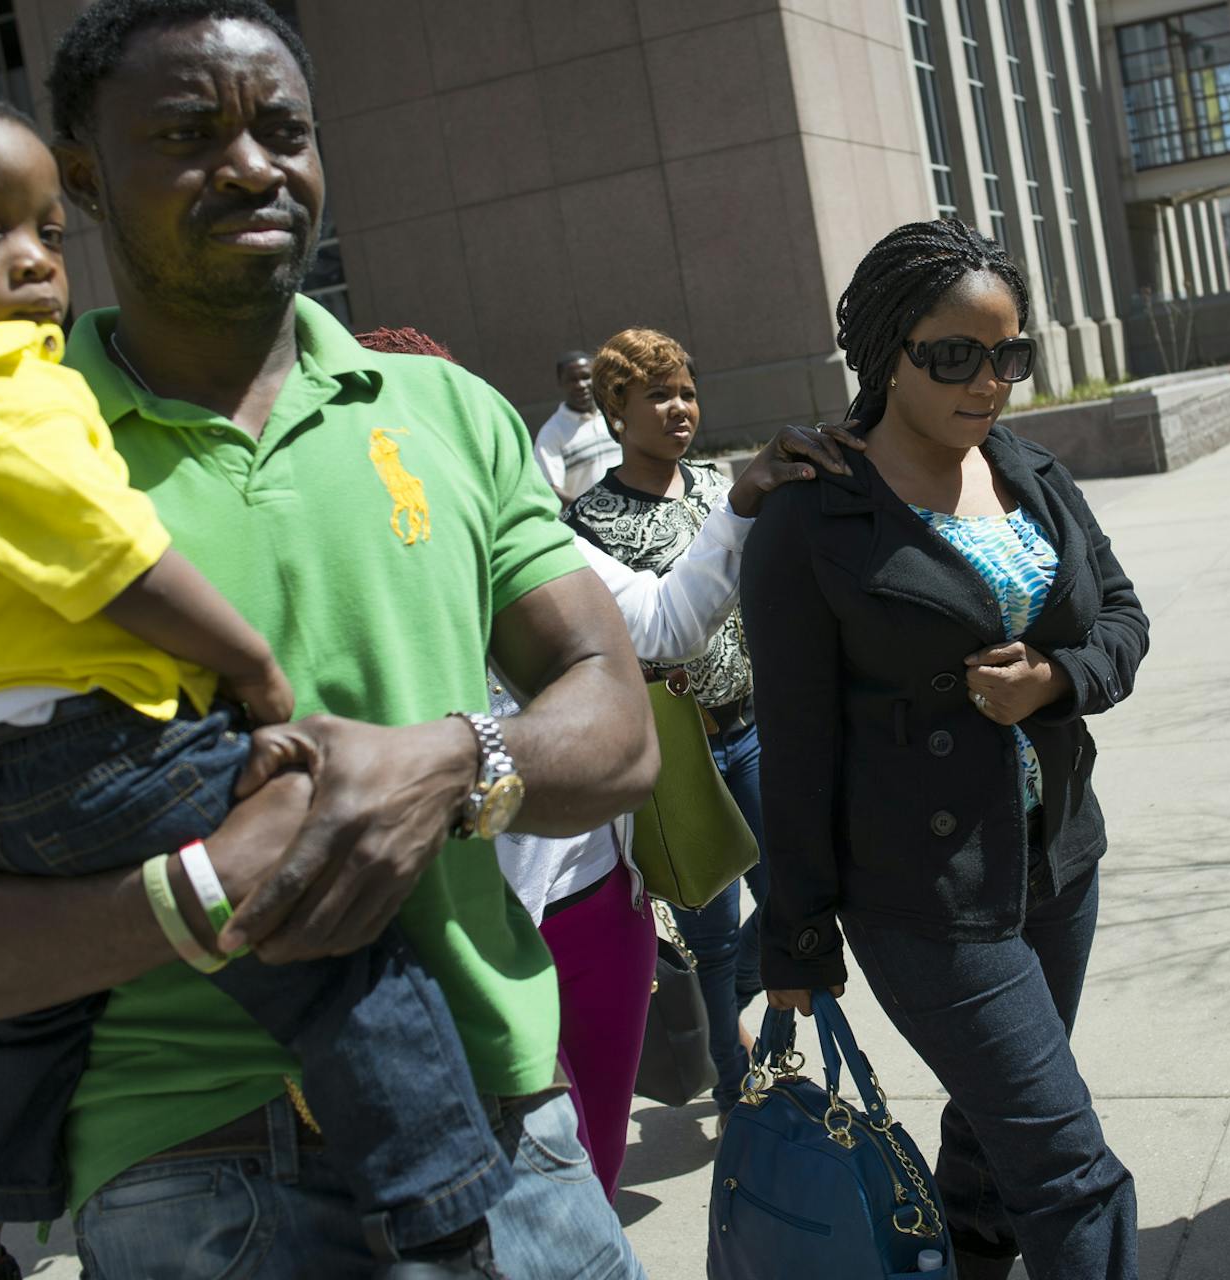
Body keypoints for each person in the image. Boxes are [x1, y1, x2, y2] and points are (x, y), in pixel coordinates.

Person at [0, 3, 658, 1277]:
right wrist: (191, 899)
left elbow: (618, 726)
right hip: (188, 1181)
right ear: (81, 179)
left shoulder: (448, 409)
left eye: (282, 129)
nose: (252, 166)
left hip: (506, 1138)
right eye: (188, 134)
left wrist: (453, 763)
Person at [356, 324, 863, 1197]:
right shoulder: (350, 565)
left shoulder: (529, 544)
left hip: (600, 905)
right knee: (505, 1185)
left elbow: (664, 623)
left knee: (592, 1163)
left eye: (445, 416)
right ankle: (722, 1055)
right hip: (456, 936)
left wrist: (741, 504)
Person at [744, 218, 1151, 1280]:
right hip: (922, 892)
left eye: (1008, 355)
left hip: (1057, 855)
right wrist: (792, 939)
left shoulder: (1032, 470)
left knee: (993, 1113)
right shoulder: (812, 515)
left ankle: (967, 1256)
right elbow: (792, 741)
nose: (988, 382)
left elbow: (1121, 617)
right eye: (954, 355)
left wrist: (1058, 680)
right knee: (1069, 1162)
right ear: (888, 351)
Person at [564, 328, 772, 1121]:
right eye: (658, 394)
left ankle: (745, 1024)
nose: (679, 407)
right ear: (616, 411)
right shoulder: (586, 522)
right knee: (713, 936)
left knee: (798, 901)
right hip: (676, 753)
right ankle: (735, 1078)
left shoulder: (722, 487)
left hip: (752, 731)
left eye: (686, 390)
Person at [532, 350, 621, 507]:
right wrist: (589, 511)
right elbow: (552, 489)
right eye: (572, 380)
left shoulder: (616, 414)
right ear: (561, 383)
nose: (580, 385)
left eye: (586, 377)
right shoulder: (551, 433)